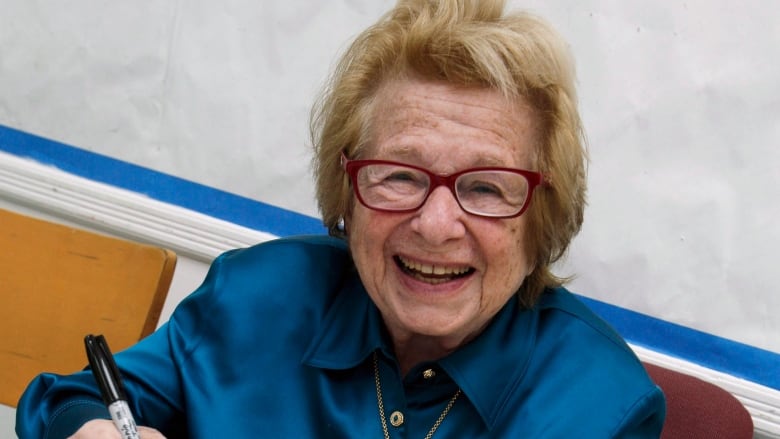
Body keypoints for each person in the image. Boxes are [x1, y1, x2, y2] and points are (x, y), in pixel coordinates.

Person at [16, 0, 666, 437]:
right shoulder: (255, 294)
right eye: (401, 175)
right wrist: (89, 426)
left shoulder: (601, 406)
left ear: (542, 213)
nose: (436, 224)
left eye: (487, 188)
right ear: (347, 189)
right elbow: (77, 395)